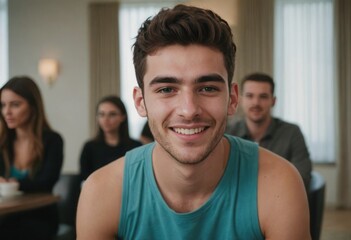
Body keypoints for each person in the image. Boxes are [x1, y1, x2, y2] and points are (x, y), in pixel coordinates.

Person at [77, 4, 311, 240]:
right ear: (140, 102)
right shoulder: (101, 192)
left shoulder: (280, 184)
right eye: (167, 89)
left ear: (232, 99)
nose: (189, 110)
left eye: (208, 88)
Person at [0, 76, 64, 239]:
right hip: (6, 215)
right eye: (3, 105)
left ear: (33, 107)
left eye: (15, 105)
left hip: (39, 216)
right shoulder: (3, 141)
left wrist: (14, 183)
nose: (7, 112)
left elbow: (46, 182)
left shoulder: (52, 140)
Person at [226, 72, 312, 192]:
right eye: (250, 96)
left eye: (263, 97)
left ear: (273, 101)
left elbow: (302, 178)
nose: (256, 103)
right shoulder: (227, 132)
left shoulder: (292, 132)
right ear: (240, 100)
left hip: (279, 205)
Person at [79, 95, 141, 180]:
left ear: (122, 117)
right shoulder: (89, 147)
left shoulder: (136, 147)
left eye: (112, 114)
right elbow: (85, 179)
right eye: (101, 114)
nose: (106, 119)